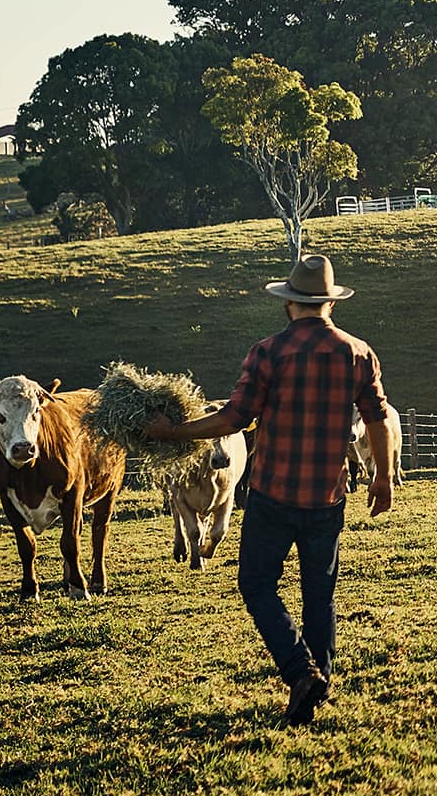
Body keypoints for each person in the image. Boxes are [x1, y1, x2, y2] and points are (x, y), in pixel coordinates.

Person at [142, 251, 394, 725]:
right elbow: (379, 417)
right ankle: (317, 683)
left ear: (288, 305)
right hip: (327, 496)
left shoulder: (268, 352)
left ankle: (301, 672)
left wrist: (172, 433)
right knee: (319, 593)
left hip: (273, 493)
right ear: (330, 305)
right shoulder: (358, 353)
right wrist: (383, 476)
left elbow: (235, 418)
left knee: (256, 585)